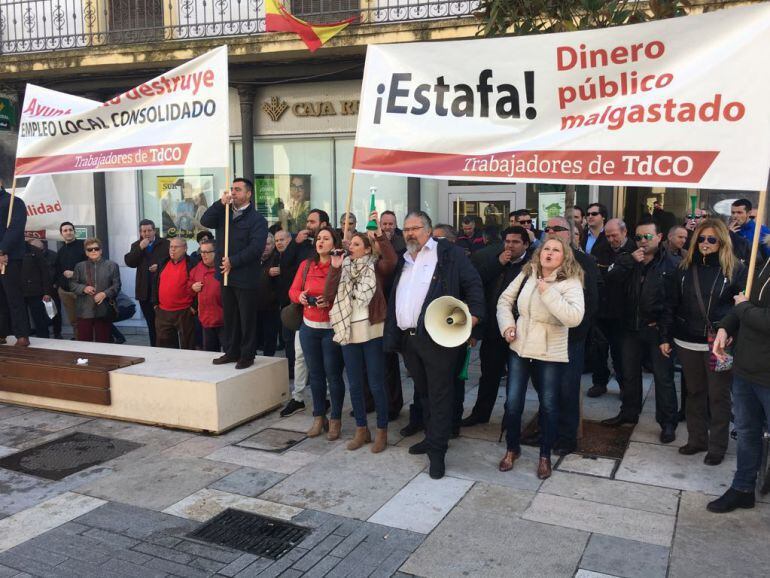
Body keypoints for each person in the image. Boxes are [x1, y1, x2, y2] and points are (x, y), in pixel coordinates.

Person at [383, 211, 484, 479]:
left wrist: (473, 317)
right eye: (406, 229)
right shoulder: (404, 259)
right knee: (424, 392)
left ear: (427, 230)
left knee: (440, 394)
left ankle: (437, 453)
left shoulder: (448, 253)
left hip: (438, 337)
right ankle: (431, 438)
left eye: (415, 228)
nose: (409, 233)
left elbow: (473, 283)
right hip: (409, 339)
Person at [496, 237, 585, 479]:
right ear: (539, 252)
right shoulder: (528, 272)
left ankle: (544, 455)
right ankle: (512, 449)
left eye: (556, 250)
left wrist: (548, 292)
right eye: (546, 248)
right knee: (513, 403)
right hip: (519, 347)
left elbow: (574, 317)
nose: (549, 253)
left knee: (548, 405)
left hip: (549, 352)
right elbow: (504, 301)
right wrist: (507, 326)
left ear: (564, 256)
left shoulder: (570, 281)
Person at [661, 219, 746, 466]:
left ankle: (718, 446)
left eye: (712, 239)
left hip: (718, 343)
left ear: (722, 242)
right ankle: (697, 439)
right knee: (694, 392)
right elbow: (670, 304)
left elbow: (740, 307)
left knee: (719, 396)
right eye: (701, 238)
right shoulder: (684, 268)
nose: (705, 244)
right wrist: (665, 336)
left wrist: (728, 330)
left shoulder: (735, 270)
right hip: (687, 340)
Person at [708, 236, 770, 513]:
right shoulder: (764, 261)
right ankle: (743, 487)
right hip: (746, 367)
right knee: (746, 432)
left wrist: (742, 307)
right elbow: (742, 303)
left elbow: (748, 307)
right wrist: (725, 326)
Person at [602, 219, 679, 443]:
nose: (643, 241)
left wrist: (665, 332)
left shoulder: (671, 264)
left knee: (663, 378)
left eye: (647, 236)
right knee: (629, 374)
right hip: (629, 327)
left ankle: (667, 423)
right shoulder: (628, 259)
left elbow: (673, 303)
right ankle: (628, 413)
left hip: (656, 329)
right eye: (638, 237)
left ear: (659, 237)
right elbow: (609, 280)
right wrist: (628, 261)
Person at [326, 213, 397, 452]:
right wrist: (335, 269)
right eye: (351, 244)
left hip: (372, 331)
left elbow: (392, 261)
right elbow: (328, 297)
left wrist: (379, 237)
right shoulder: (342, 266)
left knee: (376, 383)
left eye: (357, 244)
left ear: (367, 250)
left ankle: (381, 431)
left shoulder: (375, 267)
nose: (351, 247)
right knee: (355, 384)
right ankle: (361, 429)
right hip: (348, 332)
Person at [462, 226, 530, 426]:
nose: (510, 246)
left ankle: (511, 418)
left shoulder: (532, 265)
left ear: (525, 244)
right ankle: (480, 414)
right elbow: (477, 285)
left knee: (516, 379)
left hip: (519, 332)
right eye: (507, 241)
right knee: (489, 375)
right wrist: (498, 264)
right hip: (493, 331)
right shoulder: (495, 261)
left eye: (515, 242)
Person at [543, 216, 600, 455]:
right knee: (547, 388)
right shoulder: (540, 261)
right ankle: (549, 431)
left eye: (558, 228)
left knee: (567, 387)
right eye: (547, 228)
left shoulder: (584, 262)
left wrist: (577, 331)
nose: (551, 231)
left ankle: (567, 437)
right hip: (541, 336)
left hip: (570, 337)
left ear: (572, 233)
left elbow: (592, 302)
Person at [201, 178, 268, 370]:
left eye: (238, 190)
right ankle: (231, 351)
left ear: (248, 194)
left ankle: (247, 354)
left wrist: (234, 261)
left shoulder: (257, 220)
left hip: (245, 276)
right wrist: (220, 204)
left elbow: (256, 248)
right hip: (225, 275)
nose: (234, 192)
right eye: (232, 189)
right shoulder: (224, 213)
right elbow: (205, 221)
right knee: (230, 316)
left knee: (246, 318)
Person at [289, 227, 346, 439]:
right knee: (315, 375)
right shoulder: (306, 265)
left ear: (335, 243)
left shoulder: (340, 265)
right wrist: (300, 297)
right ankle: (318, 416)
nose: (320, 242)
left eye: (326, 238)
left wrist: (329, 300)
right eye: (318, 238)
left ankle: (336, 419)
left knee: (334, 375)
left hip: (331, 329)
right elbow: (293, 290)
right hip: (308, 327)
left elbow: (346, 295)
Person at [280, 209, 331, 417]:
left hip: (329, 321)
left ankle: (326, 398)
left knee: (326, 362)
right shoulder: (303, 253)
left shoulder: (337, 259)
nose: (308, 225)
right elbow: (288, 274)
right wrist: (299, 296)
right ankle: (298, 397)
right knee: (300, 357)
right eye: (307, 222)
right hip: (305, 317)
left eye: (312, 222)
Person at [587, 218, 636, 398]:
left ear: (624, 232)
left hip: (623, 310)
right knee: (598, 350)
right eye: (607, 236)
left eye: (614, 235)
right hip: (601, 309)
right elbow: (598, 276)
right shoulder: (600, 249)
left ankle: (624, 385)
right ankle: (599, 382)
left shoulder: (633, 249)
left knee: (620, 352)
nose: (611, 239)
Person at [124, 219, 170, 346]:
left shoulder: (165, 244)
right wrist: (140, 248)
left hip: (161, 290)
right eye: (144, 231)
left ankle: (167, 347)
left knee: (163, 323)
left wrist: (159, 266)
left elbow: (171, 262)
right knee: (150, 323)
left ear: (154, 231)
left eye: (149, 230)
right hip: (144, 291)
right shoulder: (136, 245)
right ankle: (154, 347)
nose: (147, 233)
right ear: (140, 232)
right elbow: (130, 262)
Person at [70, 238, 121, 343]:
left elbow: (117, 285)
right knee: (84, 341)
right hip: (84, 309)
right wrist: (84, 288)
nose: (93, 251)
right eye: (90, 249)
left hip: (103, 309)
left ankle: (102, 359)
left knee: (103, 341)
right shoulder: (79, 266)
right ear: (86, 252)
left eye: (96, 248)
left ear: (101, 250)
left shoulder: (112, 265)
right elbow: (72, 284)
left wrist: (104, 294)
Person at [0, 185, 30, 346]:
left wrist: (2, 250)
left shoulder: (14, 202)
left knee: (14, 297)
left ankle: (22, 335)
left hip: (10, 258)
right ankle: (2, 332)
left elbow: (15, 229)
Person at [153, 237, 196, 350]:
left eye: (176, 247)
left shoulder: (192, 263)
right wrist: (155, 303)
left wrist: (194, 307)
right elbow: (155, 283)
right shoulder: (163, 262)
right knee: (165, 346)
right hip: (163, 312)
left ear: (185, 248)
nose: (172, 250)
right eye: (171, 247)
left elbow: (199, 285)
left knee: (188, 345)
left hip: (184, 311)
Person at [190, 239, 226, 352]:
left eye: (207, 252)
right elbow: (188, 283)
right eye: (202, 252)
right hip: (206, 320)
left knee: (229, 353)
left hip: (224, 320)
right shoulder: (198, 267)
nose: (203, 255)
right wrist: (192, 286)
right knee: (210, 354)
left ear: (216, 252)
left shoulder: (224, 267)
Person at [56, 221, 87, 337]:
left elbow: (92, 268)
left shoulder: (83, 247)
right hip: (65, 292)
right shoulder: (61, 251)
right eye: (65, 230)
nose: (68, 232)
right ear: (61, 234)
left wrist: (74, 274)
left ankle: (93, 345)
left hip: (81, 291)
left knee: (87, 319)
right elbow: (57, 270)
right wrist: (60, 287)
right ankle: (79, 344)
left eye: (70, 230)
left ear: (74, 232)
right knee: (74, 321)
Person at [21, 240, 54, 338]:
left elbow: (45, 273)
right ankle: (23, 337)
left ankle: (44, 338)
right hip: (18, 291)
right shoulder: (11, 251)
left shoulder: (35, 251)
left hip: (36, 291)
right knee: (21, 318)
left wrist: (47, 292)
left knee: (39, 318)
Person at [31, 239, 62, 338]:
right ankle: (43, 334)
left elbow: (59, 271)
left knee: (54, 312)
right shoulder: (29, 256)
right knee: (39, 313)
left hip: (51, 288)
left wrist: (56, 284)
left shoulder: (53, 255)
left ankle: (57, 333)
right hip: (36, 290)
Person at [256, 233, 280, 356]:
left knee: (270, 338)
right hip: (253, 306)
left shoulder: (277, 258)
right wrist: (266, 272)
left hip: (271, 307)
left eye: (268, 244)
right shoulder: (253, 258)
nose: (265, 246)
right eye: (262, 243)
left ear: (273, 245)